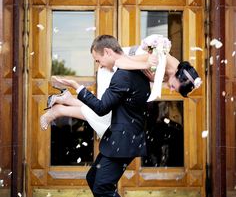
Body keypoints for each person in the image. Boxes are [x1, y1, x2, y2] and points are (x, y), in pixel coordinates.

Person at [54, 35, 151, 197]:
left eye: (98, 60)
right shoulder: (133, 70)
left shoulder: (123, 74)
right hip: (120, 139)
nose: (98, 64)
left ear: (107, 52)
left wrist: (76, 86)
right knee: (93, 178)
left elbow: (101, 107)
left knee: (102, 187)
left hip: (123, 141)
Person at [40, 36, 202, 138]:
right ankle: (59, 110)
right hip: (113, 67)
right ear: (177, 74)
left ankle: (67, 99)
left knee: (108, 109)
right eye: (175, 87)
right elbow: (119, 62)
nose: (172, 90)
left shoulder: (170, 71)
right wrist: (145, 64)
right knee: (105, 114)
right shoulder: (160, 59)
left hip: (124, 75)